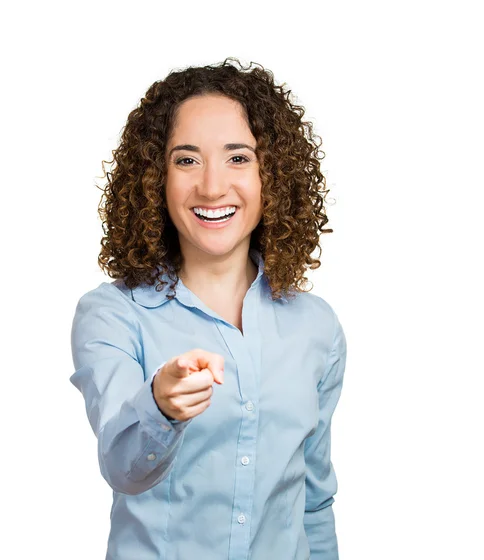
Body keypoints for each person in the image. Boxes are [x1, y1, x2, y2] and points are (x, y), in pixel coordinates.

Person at [70, 57, 347, 560]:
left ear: (273, 176)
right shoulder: (111, 315)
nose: (213, 186)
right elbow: (124, 467)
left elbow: (313, 502)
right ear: (155, 179)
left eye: (238, 158)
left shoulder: (317, 327)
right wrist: (160, 407)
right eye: (186, 159)